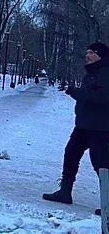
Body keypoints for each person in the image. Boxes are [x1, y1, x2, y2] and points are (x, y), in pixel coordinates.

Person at [43, 42, 109, 216]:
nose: (87, 55)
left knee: (101, 164)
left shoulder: (105, 73)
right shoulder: (92, 74)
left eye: (91, 52)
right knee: (71, 153)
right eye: (86, 51)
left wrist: (76, 92)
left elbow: (101, 98)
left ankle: (108, 203)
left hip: (100, 127)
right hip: (84, 125)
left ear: (100, 55)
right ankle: (65, 192)